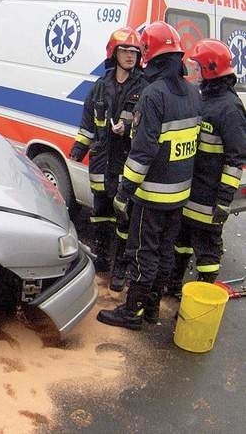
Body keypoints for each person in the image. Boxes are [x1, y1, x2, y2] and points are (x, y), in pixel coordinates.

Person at [97, 21, 201, 330]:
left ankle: (131, 313)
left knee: (143, 253)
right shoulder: (192, 92)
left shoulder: (153, 94)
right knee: (165, 252)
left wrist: (124, 191)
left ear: (148, 53)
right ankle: (152, 309)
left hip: (152, 195)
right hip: (180, 193)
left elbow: (142, 152)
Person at [168, 39, 246, 293]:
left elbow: (236, 160)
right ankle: (174, 284)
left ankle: (204, 292)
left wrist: (224, 200)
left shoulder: (230, 108)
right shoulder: (204, 98)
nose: (194, 73)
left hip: (210, 197)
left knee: (208, 249)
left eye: (198, 67)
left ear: (211, 69)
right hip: (190, 191)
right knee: (182, 241)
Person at [69, 27, 147, 276]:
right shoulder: (100, 87)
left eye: (134, 52)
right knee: (100, 212)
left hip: (125, 161)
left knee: (123, 215)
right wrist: (78, 149)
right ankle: (102, 256)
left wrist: (127, 130)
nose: (130, 56)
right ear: (114, 53)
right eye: (125, 50)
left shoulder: (143, 88)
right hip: (101, 161)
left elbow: (148, 129)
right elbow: (87, 124)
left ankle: (121, 265)